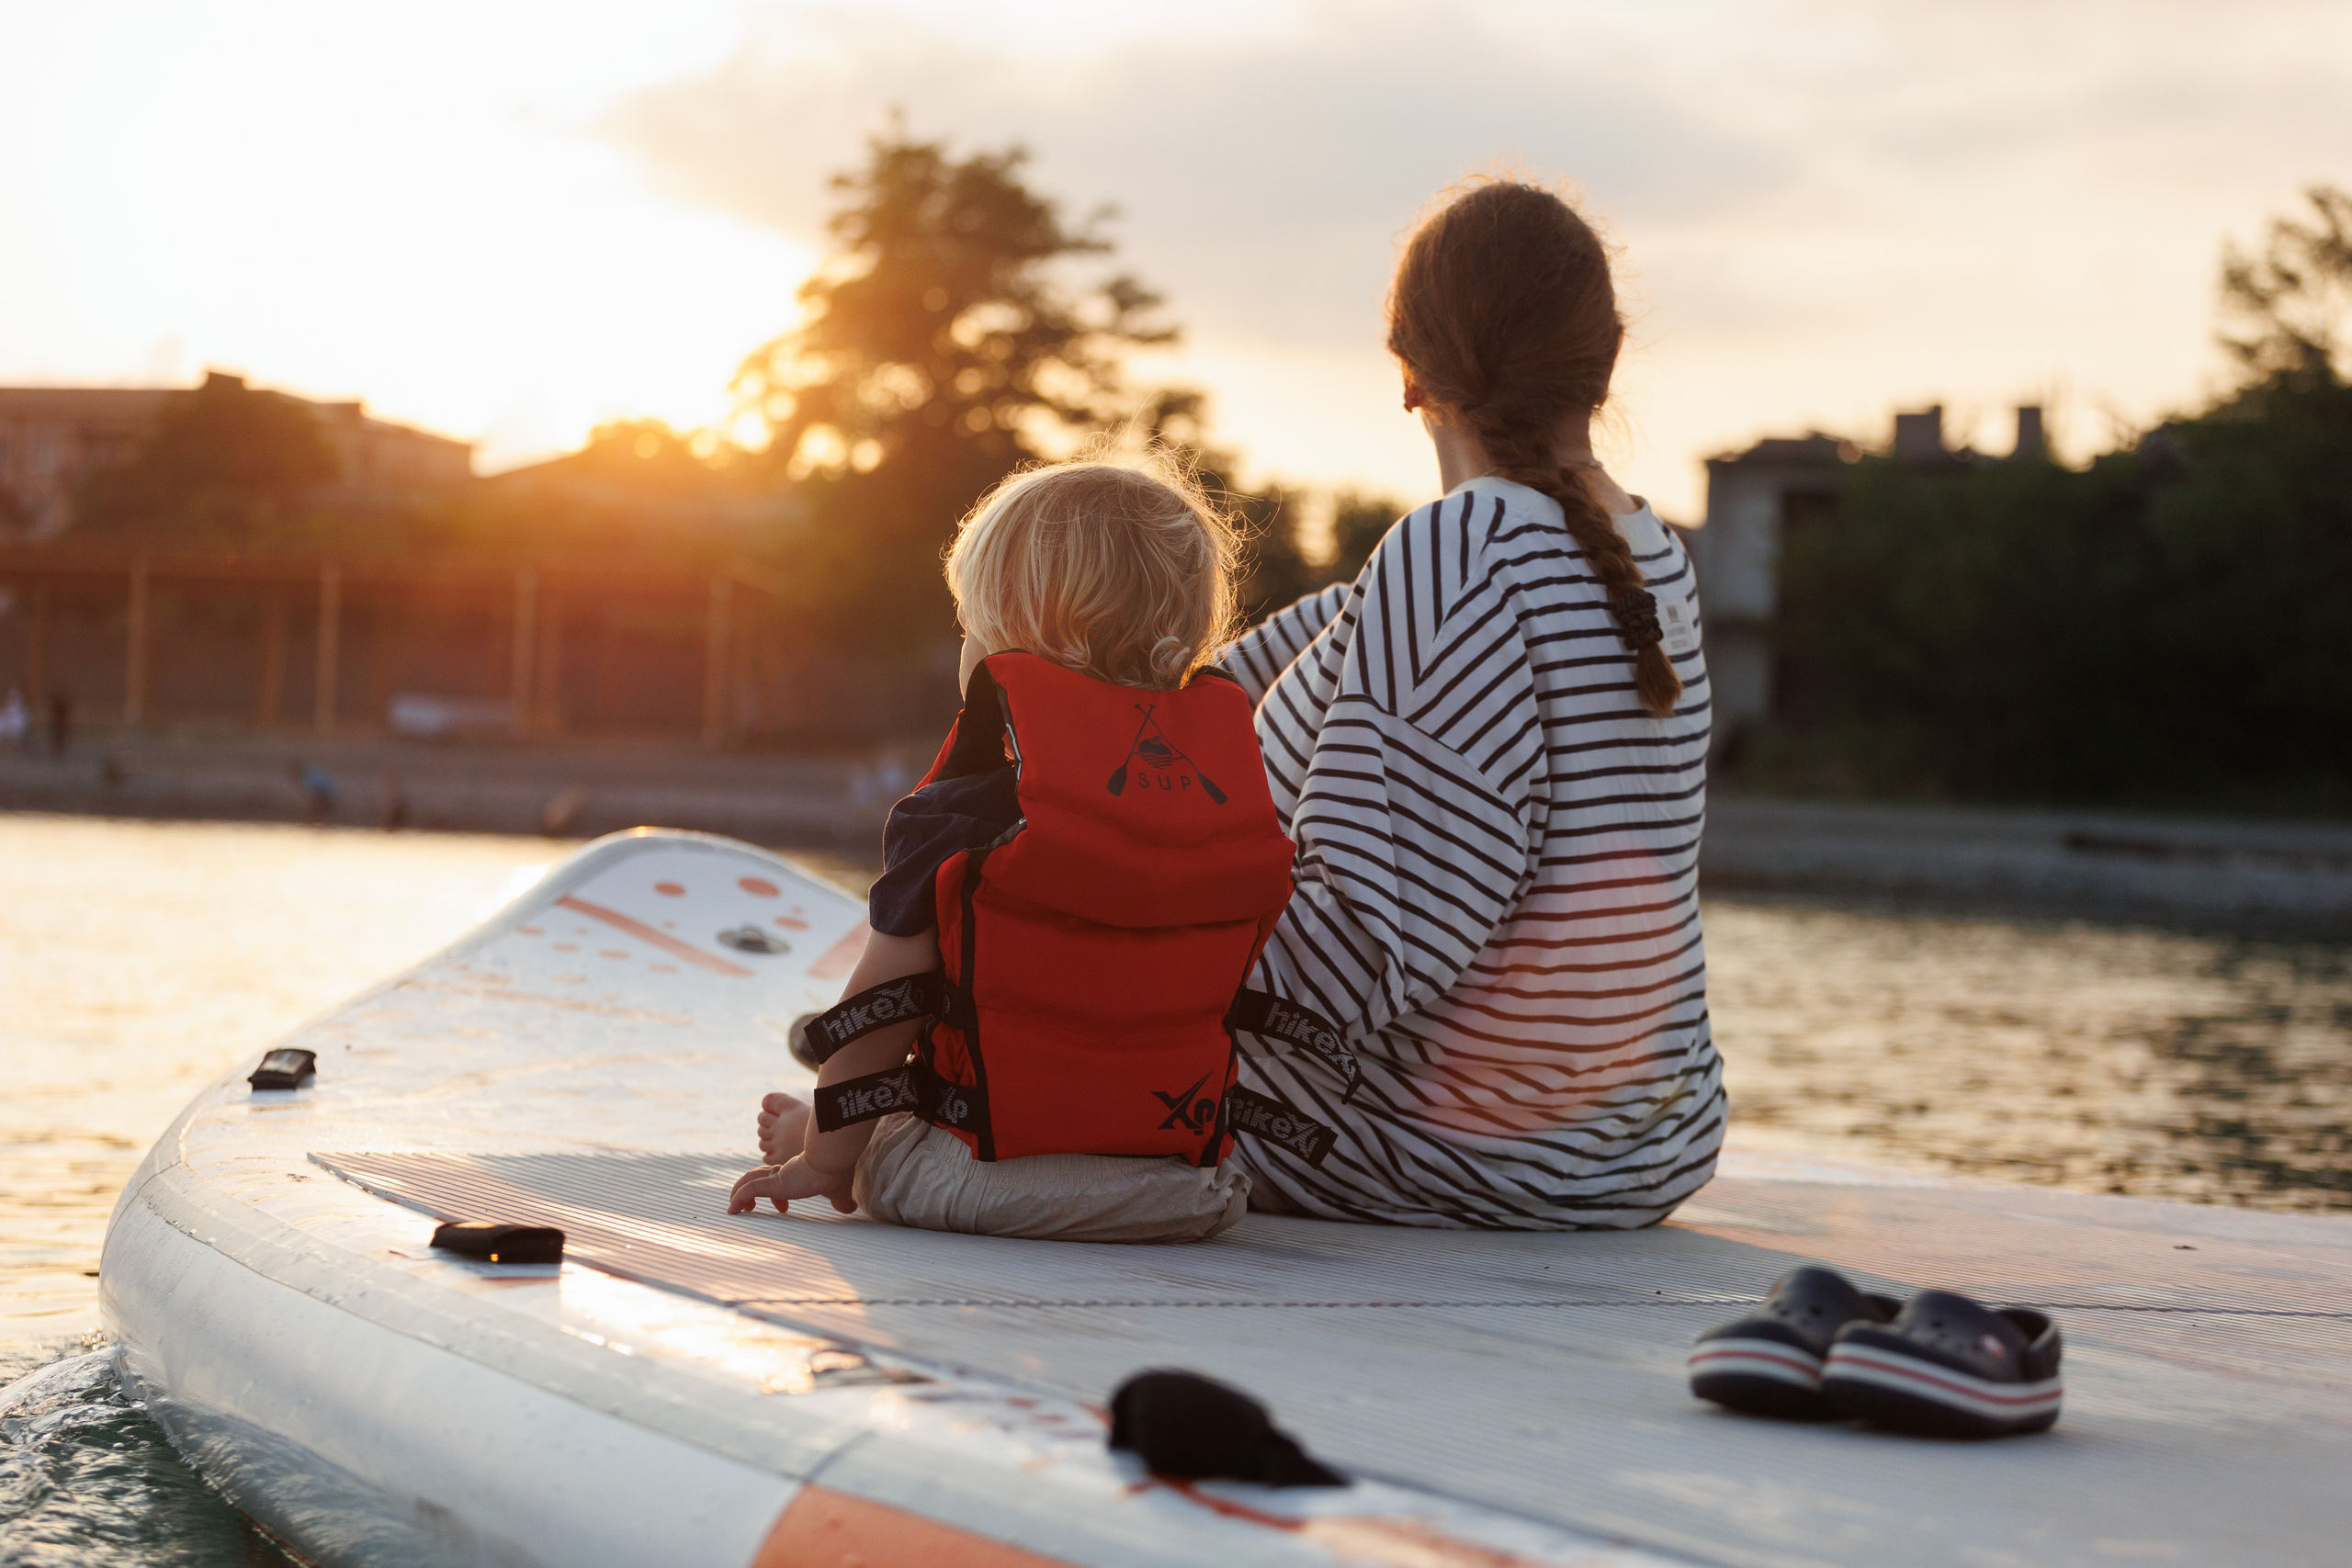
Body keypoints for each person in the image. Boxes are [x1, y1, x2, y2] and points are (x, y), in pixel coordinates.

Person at [1215, 178, 1723, 1230]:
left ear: (1408, 370)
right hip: (1640, 1150)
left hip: (1436, 1154)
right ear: (1606, 356)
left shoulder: (1460, 550)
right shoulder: (1645, 554)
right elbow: (1306, 645)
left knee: (1012, 1067)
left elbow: (1358, 952)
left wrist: (1102, 966)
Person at [731, 455, 1340, 1244]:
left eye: (968, 625)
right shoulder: (1215, 805)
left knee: (872, 1131)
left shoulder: (958, 813)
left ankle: (821, 1129)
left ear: (1005, 648)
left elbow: (876, 1016)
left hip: (991, 1180)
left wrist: (828, 1157)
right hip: (1191, 1187)